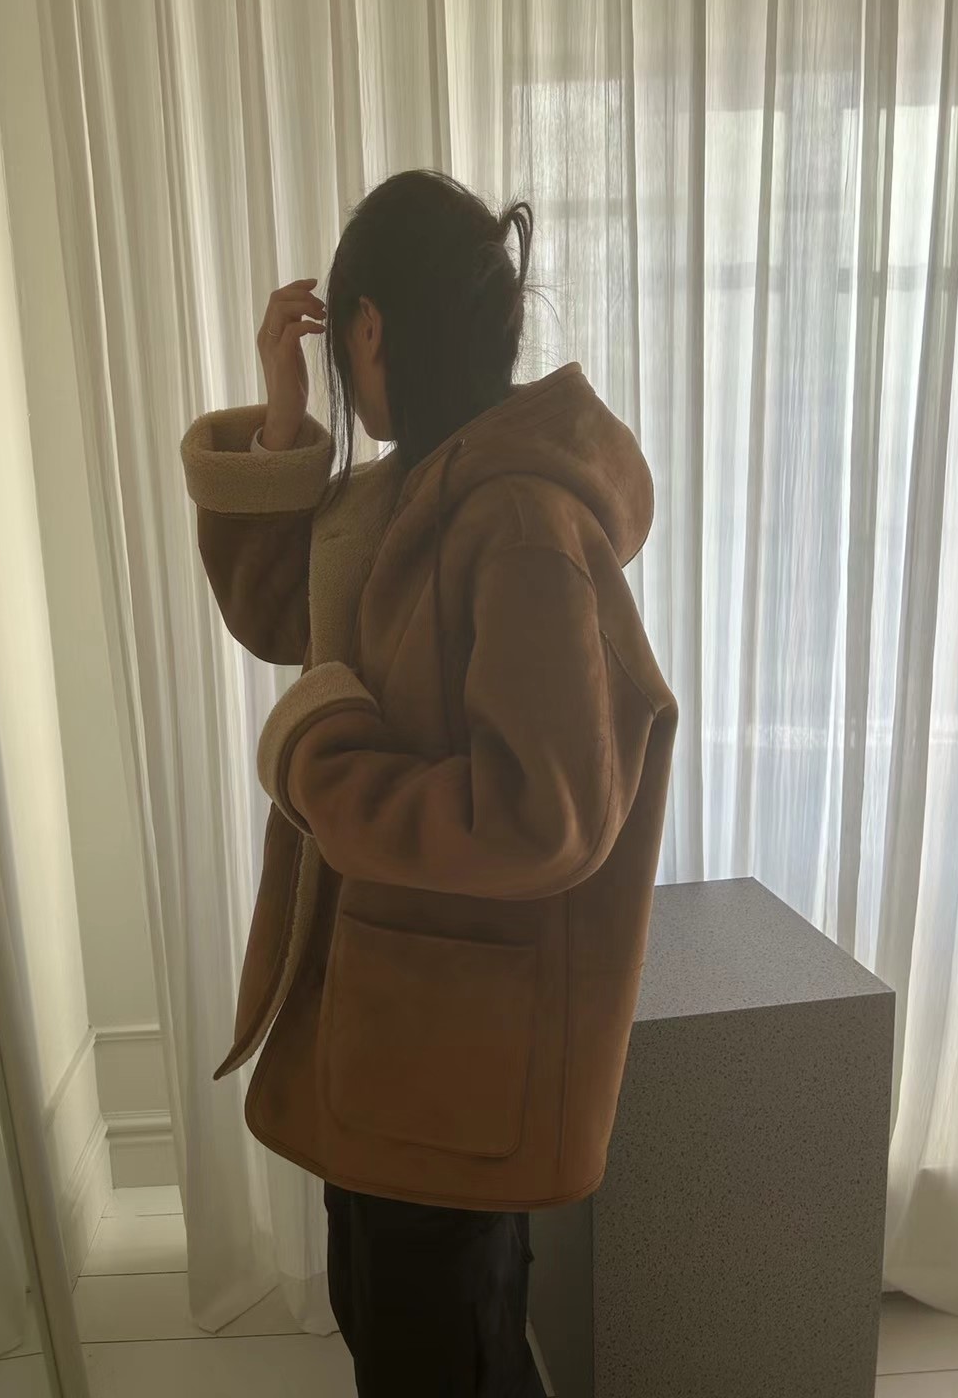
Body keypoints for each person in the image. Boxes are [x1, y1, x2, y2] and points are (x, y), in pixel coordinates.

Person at [181, 170, 677, 1397]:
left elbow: (541, 817)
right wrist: (285, 424)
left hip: (456, 1047)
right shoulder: (421, 486)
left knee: (441, 1349)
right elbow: (288, 616)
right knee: (401, 1321)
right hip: (408, 1023)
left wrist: (321, 755)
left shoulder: (516, 522)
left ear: (369, 329)